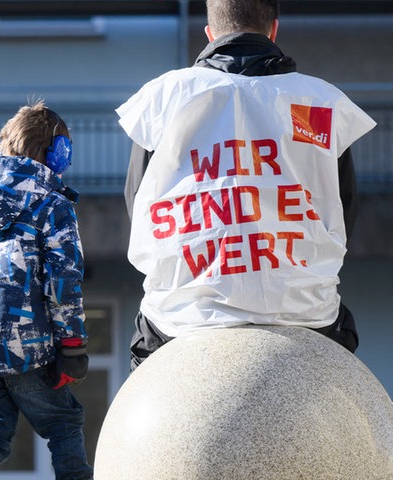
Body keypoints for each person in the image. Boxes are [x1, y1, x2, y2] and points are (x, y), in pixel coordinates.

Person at [119, 0, 376, 370]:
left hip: (182, 314)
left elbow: (138, 203)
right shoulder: (319, 101)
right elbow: (342, 206)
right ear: (274, 29)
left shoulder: (164, 97)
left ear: (209, 33)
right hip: (304, 308)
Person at [0, 100, 93, 480]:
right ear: (57, 153)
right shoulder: (52, 204)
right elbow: (64, 281)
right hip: (32, 349)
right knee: (63, 425)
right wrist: (73, 347)